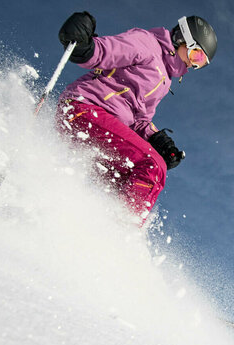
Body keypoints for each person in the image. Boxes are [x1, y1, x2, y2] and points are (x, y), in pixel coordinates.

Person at [54, 12, 217, 221]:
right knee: (153, 166)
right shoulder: (146, 43)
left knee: (126, 180)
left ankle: (89, 225)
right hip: (85, 110)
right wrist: (85, 48)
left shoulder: (164, 81)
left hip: (102, 126)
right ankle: (121, 230)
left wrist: (157, 140)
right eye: (197, 56)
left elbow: (139, 119)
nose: (193, 66)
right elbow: (106, 52)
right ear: (182, 38)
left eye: (200, 64)